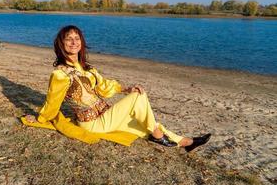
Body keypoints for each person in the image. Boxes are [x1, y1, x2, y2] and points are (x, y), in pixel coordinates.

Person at [24, 25, 211, 152]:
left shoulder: (87, 69)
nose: (74, 42)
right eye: (68, 39)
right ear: (61, 44)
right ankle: (158, 135)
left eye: (77, 38)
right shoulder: (60, 74)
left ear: (81, 42)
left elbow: (105, 87)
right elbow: (52, 102)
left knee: (142, 123)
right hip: (92, 124)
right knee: (139, 99)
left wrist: (125, 88)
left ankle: (186, 143)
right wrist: (40, 118)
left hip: (106, 115)